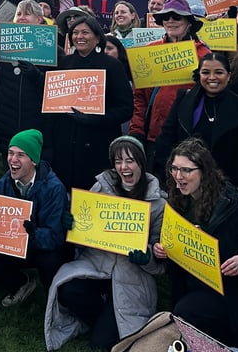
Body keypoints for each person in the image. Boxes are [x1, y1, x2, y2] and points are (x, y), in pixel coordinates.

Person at [46, 136, 167, 351]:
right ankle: (103, 312)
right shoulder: (100, 188)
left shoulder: (158, 204)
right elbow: (83, 243)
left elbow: (160, 266)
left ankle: (104, 318)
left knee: (102, 343)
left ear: (141, 163)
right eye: (118, 161)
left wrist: (147, 257)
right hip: (97, 265)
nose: (124, 167)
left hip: (131, 276)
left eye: (130, 161)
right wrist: (73, 227)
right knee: (68, 290)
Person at [152, 138, 238, 351]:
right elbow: (170, 242)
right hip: (191, 284)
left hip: (229, 292)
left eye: (186, 170)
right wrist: (161, 249)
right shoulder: (177, 201)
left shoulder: (232, 205)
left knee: (186, 311)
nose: (178, 176)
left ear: (204, 172)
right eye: (174, 168)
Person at [0, 129, 68, 307]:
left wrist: (32, 234)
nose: (13, 159)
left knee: (49, 260)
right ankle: (20, 284)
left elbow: (55, 237)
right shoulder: (4, 182)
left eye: (21, 155)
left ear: (33, 160)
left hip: (39, 247)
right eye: (10, 153)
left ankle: (56, 302)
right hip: (12, 243)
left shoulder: (54, 188)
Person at [43, 13, 133, 192]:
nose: (79, 37)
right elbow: (50, 109)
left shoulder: (112, 66)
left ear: (97, 36)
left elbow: (126, 109)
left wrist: (95, 118)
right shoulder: (63, 64)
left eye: (85, 32)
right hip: (64, 147)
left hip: (98, 145)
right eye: (75, 32)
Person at [153, 52, 238, 192]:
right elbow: (166, 139)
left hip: (224, 188)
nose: (212, 77)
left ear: (228, 76)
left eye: (219, 72)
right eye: (205, 72)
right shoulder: (183, 99)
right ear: (199, 75)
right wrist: (171, 178)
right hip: (185, 185)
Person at [129, 0, 208, 151]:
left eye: (177, 16)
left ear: (189, 23)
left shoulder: (204, 55)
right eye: (166, 17)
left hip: (190, 137)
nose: (171, 20)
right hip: (155, 136)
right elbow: (139, 97)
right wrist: (136, 131)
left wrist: (203, 83)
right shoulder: (149, 51)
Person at [0, 0, 52, 158]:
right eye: (18, 14)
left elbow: (56, 88)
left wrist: (37, 76)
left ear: (39, 19)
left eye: (27, 14)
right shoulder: (3, 48)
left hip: (38, 125)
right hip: (7, 123)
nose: (21, 17)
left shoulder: (52, 49)